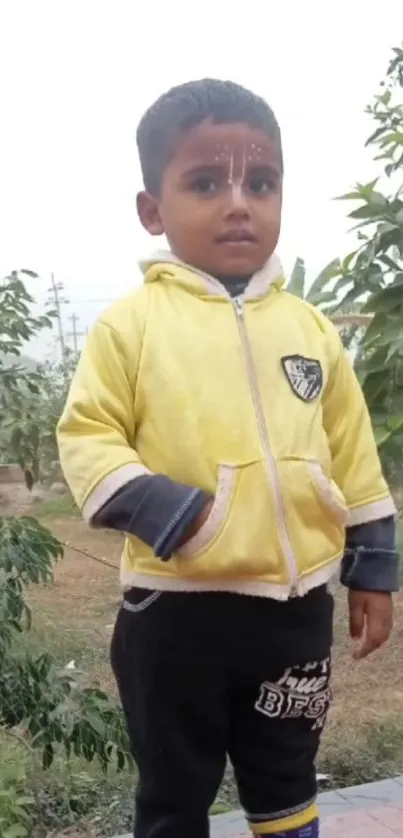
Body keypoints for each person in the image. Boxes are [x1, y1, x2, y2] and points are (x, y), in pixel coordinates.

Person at [57, 79, 399, 838]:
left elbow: (352, 454)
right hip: (175, 610)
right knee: (176, 788)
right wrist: (170, 512)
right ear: (154, 209)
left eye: (262, 182)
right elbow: (86, 435)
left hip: (294, 613)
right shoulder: (131, 327)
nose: (239, 202)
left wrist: (371, 570)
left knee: (285, 778)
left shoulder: (311, 330)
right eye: (206, 182)